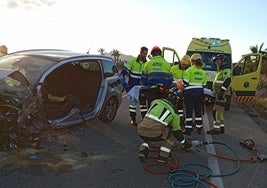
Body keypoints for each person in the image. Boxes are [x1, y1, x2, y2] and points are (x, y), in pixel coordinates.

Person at [137, 87, 192, 163]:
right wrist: (184, 143)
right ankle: (163, 156)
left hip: (141, 129)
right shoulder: (174, 112)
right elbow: (177, 131)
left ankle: (143, 151)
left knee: (148, 128)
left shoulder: (156, 102)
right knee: (172, 134)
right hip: (155, 132)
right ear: (176, 99)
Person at [120, 46, 148, 126]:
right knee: (132, 104)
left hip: (142, 87)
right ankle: (133, 119)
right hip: (132, 86)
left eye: (146, 54)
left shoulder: (147, 63)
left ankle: (144, 120)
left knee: (143, 105)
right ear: (140, 53)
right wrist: (124, 85)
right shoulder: (132, 61)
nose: (145, 55)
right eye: (144, 54)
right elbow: (124, 73)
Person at [183, 53, 207, 135]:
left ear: (192, 61)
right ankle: (199, 128)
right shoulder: (203, 72)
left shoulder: (189, 70)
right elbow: (204, 84)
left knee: (189, 111)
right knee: (198, 111)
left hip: (189, 93)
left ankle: (188, 129)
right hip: (200, 93)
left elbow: (185, 83)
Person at [207, 54, 231, 135]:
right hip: (220, 94)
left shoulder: (226, 69)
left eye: (218, 60)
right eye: (216, 61)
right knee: (220, 112)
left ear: (222, 60)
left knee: (216, 111)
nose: (216, 62)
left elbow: (227, 80)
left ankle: (216, 129)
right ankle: (221, 128)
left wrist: (221, 92)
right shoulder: (221, 70)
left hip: (222, 94)